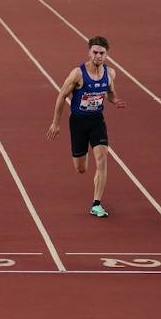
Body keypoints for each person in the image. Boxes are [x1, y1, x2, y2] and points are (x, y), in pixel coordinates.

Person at [46, 36, 126, 217]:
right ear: (89, 53)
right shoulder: (78, 74)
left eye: (102, 53)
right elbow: (61, 97)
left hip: (97, 120)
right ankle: (85, 161)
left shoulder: (110, 73)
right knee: (81, 168)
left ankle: (96, 203)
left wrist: (116, 101)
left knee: (102, 158)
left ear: (107, 55)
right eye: (95, 52)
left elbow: (111, 94)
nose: (98, 56)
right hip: (78, 122)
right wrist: (56, 123)